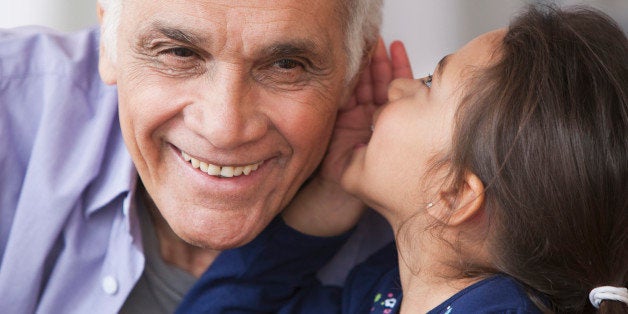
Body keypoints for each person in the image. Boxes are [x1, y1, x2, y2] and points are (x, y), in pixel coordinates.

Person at [178, 5, 628, 313]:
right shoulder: (378, 292)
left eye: (431, 82)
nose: (397, 87)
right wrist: (321, 209)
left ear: (452, 194)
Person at [0, 0, 412, 312]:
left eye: (287, 65)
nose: (225, 129)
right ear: (109, 40)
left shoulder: (430, 233)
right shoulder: (10, 103)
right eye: (180, 53)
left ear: (355, 67)